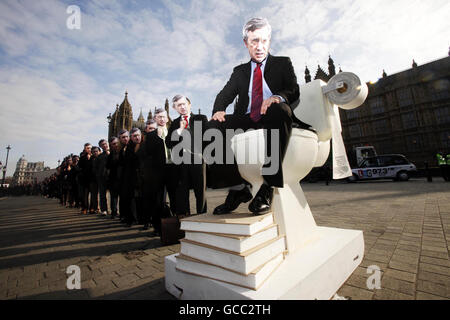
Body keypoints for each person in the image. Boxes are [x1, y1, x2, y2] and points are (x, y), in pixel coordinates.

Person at [208, 17, 311, 216]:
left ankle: (267, 187)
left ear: (269, 41)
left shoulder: (282, 63)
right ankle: (238, 190)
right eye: (254, 41)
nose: (259, 46)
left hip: (273, 115)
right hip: (247, 118)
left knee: (279, 109)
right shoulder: (239, 71)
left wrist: (277, 97)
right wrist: (219, 110)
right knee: (211, 126)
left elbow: (292, 89)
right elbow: (224, 94)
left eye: (264, 40)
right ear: (246, 43)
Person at [166, 94, 208, 215]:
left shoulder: (201, 118)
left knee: (200, 193)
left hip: (198, 161)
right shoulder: (174, 123)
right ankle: (186, 220)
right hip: (181, 163)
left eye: (184, 104)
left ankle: (202, 219)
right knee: (182, 194)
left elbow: (208, 139)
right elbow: (168, 143)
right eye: (179, 105)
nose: (182, 107)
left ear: (189, 105)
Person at [106, 137, 121, 219]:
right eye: (113, 144)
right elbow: (107, 167)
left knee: (123, 197)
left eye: (116, 143)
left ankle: (122, 214)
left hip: (122, 178)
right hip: (113, 178)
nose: (115, 145)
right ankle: (114, 213)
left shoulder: (123, 152)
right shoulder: (110, 155)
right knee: (113, 197)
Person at [78, 143, 94, 214]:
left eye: (90, 148)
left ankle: (92, 208)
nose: (89, 149)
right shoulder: (82, 158)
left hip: (93, 178)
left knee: (93, 194)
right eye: (87, 148)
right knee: (85, 195)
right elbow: (79, 167)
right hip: (85, 179)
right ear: (85, 149)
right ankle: (85, 208)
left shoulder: (94, 157)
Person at [96, 139, 110, 215]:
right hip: (102, 177)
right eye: (102, 145)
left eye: (105, 143)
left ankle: (114, 210)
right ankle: (104, 210)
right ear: (100, 146)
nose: (104, 145)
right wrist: (99, 175)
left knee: (114, 195)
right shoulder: (99, 157)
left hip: (112, 177)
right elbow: (96, 168)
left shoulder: (114, 153)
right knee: (102, 194)